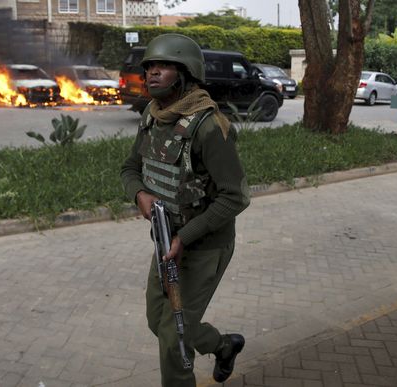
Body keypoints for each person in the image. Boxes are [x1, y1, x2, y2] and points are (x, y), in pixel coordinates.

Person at [120, 33, 251, 386]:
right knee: (157, 322)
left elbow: (235, 197)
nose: (152, 73)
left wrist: (185, 237)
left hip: (204, 246)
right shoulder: (153, 115)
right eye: (150, 66)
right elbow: (130, 169)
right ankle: (223, 346)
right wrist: (140, 196)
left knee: (174, 340)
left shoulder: (209, 127)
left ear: (186, 73)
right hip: (166, 241)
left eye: (164, 66)